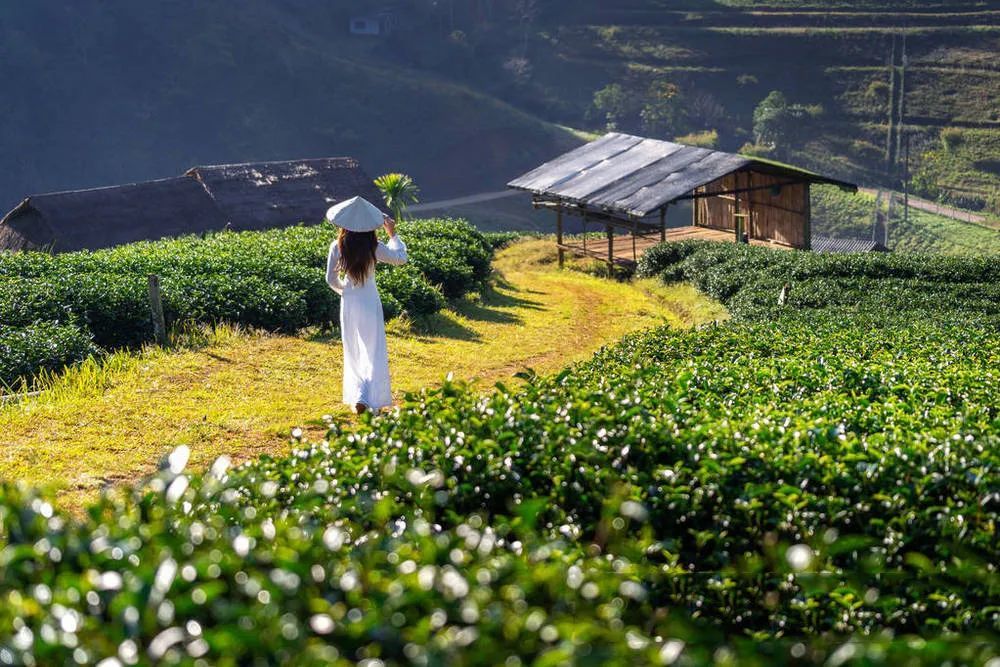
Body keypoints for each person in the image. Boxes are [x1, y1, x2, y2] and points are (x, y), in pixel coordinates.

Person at [324, 197, 408, 414]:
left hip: (350, 302)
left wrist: (346, 291)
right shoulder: (374, 247)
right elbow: (400, 258)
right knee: (373, 349)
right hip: (370, 300)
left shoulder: (337, 246)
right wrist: (393, 234)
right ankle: (372, 400)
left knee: (353, 348)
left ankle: (360, 396)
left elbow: (330, 280)